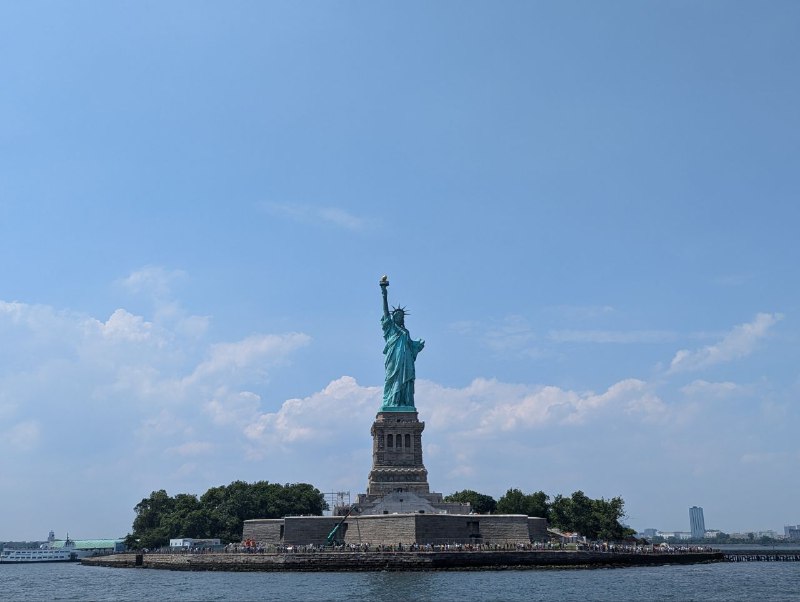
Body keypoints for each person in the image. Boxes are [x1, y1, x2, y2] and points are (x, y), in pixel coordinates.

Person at [380, 277, 424, 408]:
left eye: (401, 316)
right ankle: (392, 401)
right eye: (397, 315)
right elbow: (385, 311)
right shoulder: (390, 328)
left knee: (405, 381)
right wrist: (384, 293)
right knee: (392, 379)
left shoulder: (406, 331)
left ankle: (404, 402)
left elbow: (411, 346)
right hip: (394, 359)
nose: (399, 317)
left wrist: (418, 345)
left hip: (406, 360)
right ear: (394, 317)